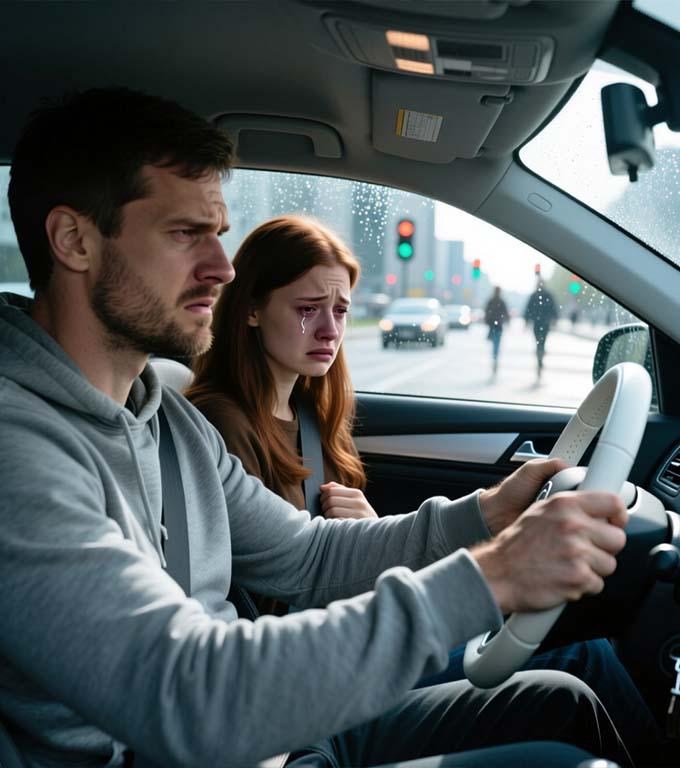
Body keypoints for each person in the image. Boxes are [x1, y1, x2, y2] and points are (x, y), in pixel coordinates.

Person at [0, 86, 638, 768]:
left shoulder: (171, 421)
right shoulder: (18, 452)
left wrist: (485, 515)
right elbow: (186, 694)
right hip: (213, 735)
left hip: (271, 736)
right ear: (74, 241)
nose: (222, 268)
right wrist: (494, 576)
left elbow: (308, 557)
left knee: (566, 701)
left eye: (218, 233)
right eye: (186, 234)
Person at [186, 215, 660, 756]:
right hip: (317, 668)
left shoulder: (309, 414)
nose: (331, 330)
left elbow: (318, 553)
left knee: (577, 660)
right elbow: (280, 584)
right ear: (250, 308)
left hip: (354, 631)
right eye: (307, 309)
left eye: (340, 310)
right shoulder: (219, 429)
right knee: (580, 660)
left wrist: (384, 528)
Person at [524, 278, 559, 381]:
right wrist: (554, 318)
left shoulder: (534, 295)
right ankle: (540, 357)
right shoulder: (548, 295)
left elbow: (528, 309)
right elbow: (553, 309)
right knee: (542, 342)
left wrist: (527, 320)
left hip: (538, 323)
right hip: (544, 323)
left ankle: (539, 357)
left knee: (539, 342)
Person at [484, 286, 509, 376]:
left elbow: (487, 312)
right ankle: (495, 357)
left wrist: (488, 320)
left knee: (495, 343)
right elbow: (505, 313)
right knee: (496, 343)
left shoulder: (492, 301)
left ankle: (495, 357)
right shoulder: (500, 302)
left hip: (493, 326)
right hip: (497, 326)